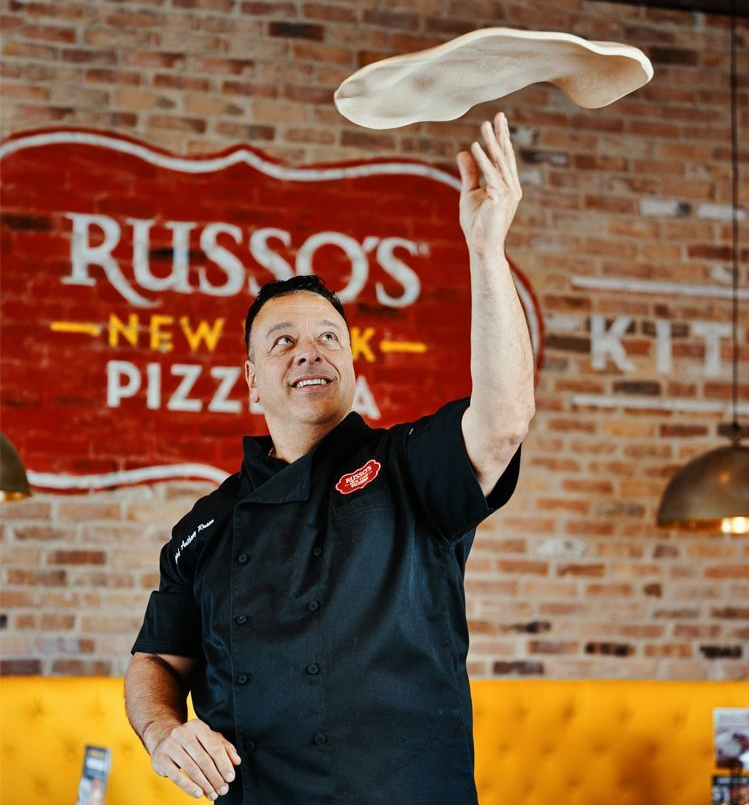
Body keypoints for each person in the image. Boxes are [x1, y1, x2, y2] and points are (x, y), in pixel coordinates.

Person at [124, 110, 535, 804]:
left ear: (350, 360)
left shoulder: (406, 467)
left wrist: (486, 250)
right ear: (251, 375)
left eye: (327, 336)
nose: (308, 350)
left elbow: (502, 420)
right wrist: (164, 729)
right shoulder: (207, 524)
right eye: (281, 340)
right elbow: (158, 659)